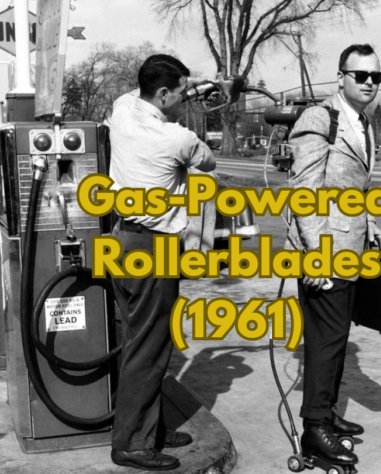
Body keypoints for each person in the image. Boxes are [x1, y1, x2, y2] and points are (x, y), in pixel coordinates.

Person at [108, 54, 216, 471]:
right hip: (154, 250)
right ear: (165, 93)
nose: (186, 98)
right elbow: (207, 162)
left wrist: (196, 87)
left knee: (136, 340)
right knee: (150, 349)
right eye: (182, 92)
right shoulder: (177, 138)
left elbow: (137, 95)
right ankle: (133, 443)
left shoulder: (122, 110)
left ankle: (147, 427)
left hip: (121, 241)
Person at [285, 43, 381, 467]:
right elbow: (304, 194)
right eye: (359, 75)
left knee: (338, 338)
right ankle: (314, 432)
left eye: (375, 77)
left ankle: (326, 415)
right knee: (325, 343)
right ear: (340, 77)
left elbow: (355, 190)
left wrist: (371, 226)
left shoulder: (361, 122)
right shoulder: (319, 118)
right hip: (324, 250)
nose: (368, 83)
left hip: (351, 247)